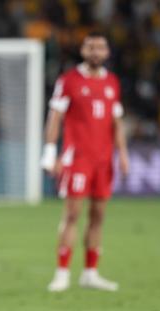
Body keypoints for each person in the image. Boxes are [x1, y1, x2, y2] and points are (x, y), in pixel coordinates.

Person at [40, 31, 129, 292]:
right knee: (72, 215)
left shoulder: (113, 82)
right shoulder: (68, 80)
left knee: (98, 216)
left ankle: (90, 273)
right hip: (77, 159)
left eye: (100, 47)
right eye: (91, 47)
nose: (95, 52)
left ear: (107, 52)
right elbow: (55, 117)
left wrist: (122, 154)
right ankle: (62, 272)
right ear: (83, 51)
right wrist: (49, 153)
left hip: (104, 161)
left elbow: (117, 121)